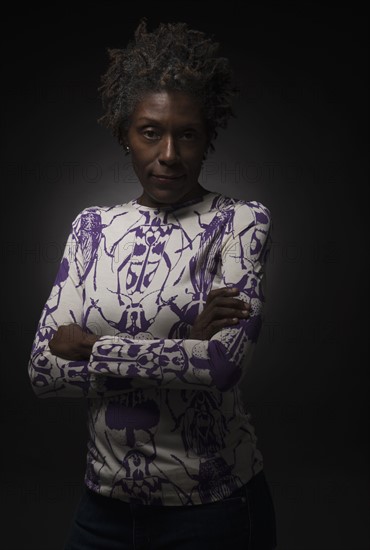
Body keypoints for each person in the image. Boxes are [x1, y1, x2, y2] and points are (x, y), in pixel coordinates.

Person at [28, 19, 277, 550]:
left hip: (213, 508)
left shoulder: (239, 224)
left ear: (207, 137)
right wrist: (184, 345)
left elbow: (223, 366)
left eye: (186, 133)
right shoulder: (91, 228)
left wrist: (92, 347)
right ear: (124, 134)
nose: (168, 153)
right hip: (101, 510)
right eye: (150, 132)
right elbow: (43, 372)